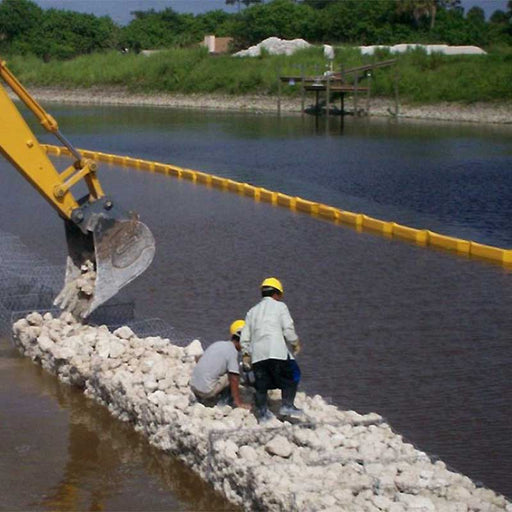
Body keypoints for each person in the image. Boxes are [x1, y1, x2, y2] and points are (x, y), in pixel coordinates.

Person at [240, 277, 303, 423]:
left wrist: (246, 354)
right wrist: (295, 343)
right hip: (276, 351)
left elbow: (245, 337)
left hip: (258, 355)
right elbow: (288, 329)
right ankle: (287, 405)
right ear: (276, 294)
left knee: (261, 385)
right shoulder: (281, 307)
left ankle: (262, 414)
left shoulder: (252, 312)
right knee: (291, 376)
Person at [190, 320, 251, 409]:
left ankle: (200, 398)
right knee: (233, 375)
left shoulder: (218, 344)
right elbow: (234, 378)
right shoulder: (232, 352)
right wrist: (239, 402)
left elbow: (200, 359)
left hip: (193, 386)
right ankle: (223, 404)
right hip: (206, 391)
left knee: (224, 372)